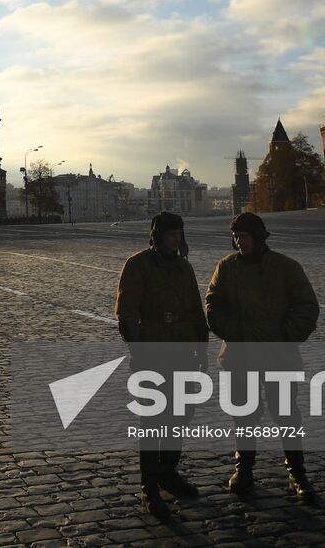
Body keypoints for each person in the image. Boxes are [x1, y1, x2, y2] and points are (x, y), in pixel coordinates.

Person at [205, 212, 320, 503]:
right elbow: (212, 304)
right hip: (240, 357)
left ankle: (297, 472)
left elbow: (307, 305)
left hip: (278, 356)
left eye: (243, 236)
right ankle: (243, 470)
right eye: (235, 237)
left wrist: (285, 336)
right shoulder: (226, 267)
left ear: (257, 237)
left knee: (287, 415)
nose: (238, 242)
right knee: (243, 417)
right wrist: (234, 334)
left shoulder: (285, 268)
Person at [115, 211, 209, 520]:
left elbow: (196, 310)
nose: (177, 239)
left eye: (179, 233)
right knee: (153, 421)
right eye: (171, 234)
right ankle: (149, 487)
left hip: (183, 352)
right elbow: (126, 314)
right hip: (152, 354)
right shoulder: (138, 265)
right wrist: (139, 352)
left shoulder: (184, 268)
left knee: (181, 415)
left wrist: (202, 350)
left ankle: (168, 472)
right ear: (157, 236)